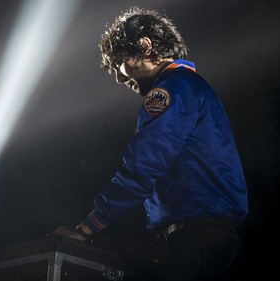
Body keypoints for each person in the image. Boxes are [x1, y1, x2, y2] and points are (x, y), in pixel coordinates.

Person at [52, 6, 248, 281]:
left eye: (119, 62)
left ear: (145, 46)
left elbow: (143, 166)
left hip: (197, 237)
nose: (119, 77)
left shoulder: (171, 88)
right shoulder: (191, 86)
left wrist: (86, 228)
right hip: (211, 236)